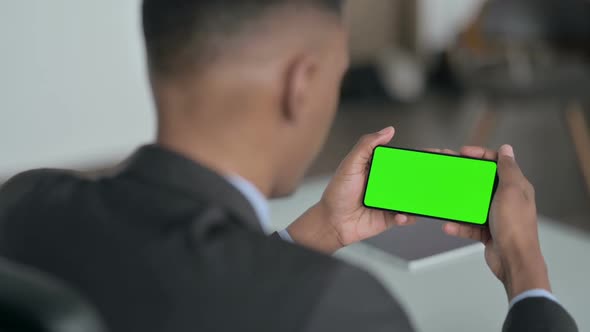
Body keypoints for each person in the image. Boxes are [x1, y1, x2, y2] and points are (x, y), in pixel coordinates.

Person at [0, 1, 577, 331]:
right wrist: (525, 268)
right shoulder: (337, 311)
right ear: (301, 85)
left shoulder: (22, 204)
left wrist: (318, 231)